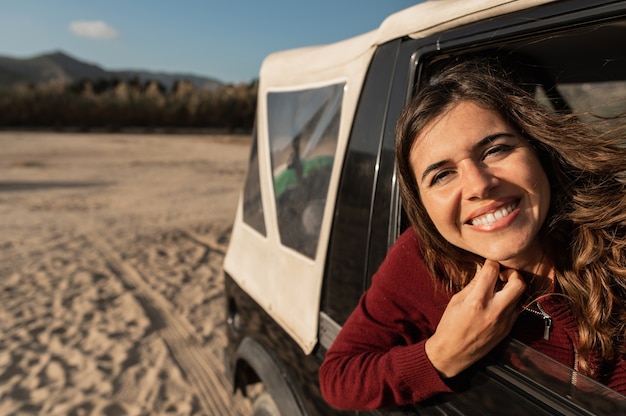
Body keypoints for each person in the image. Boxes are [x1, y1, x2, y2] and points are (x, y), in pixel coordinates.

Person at [318, 58, 626, 410]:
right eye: (442, 175)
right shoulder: (422, 258)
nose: (479, 185)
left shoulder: (616, 241)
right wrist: (443, 354)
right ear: (422, 208)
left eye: (495, 150)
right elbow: (338, 378)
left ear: (538, 151)